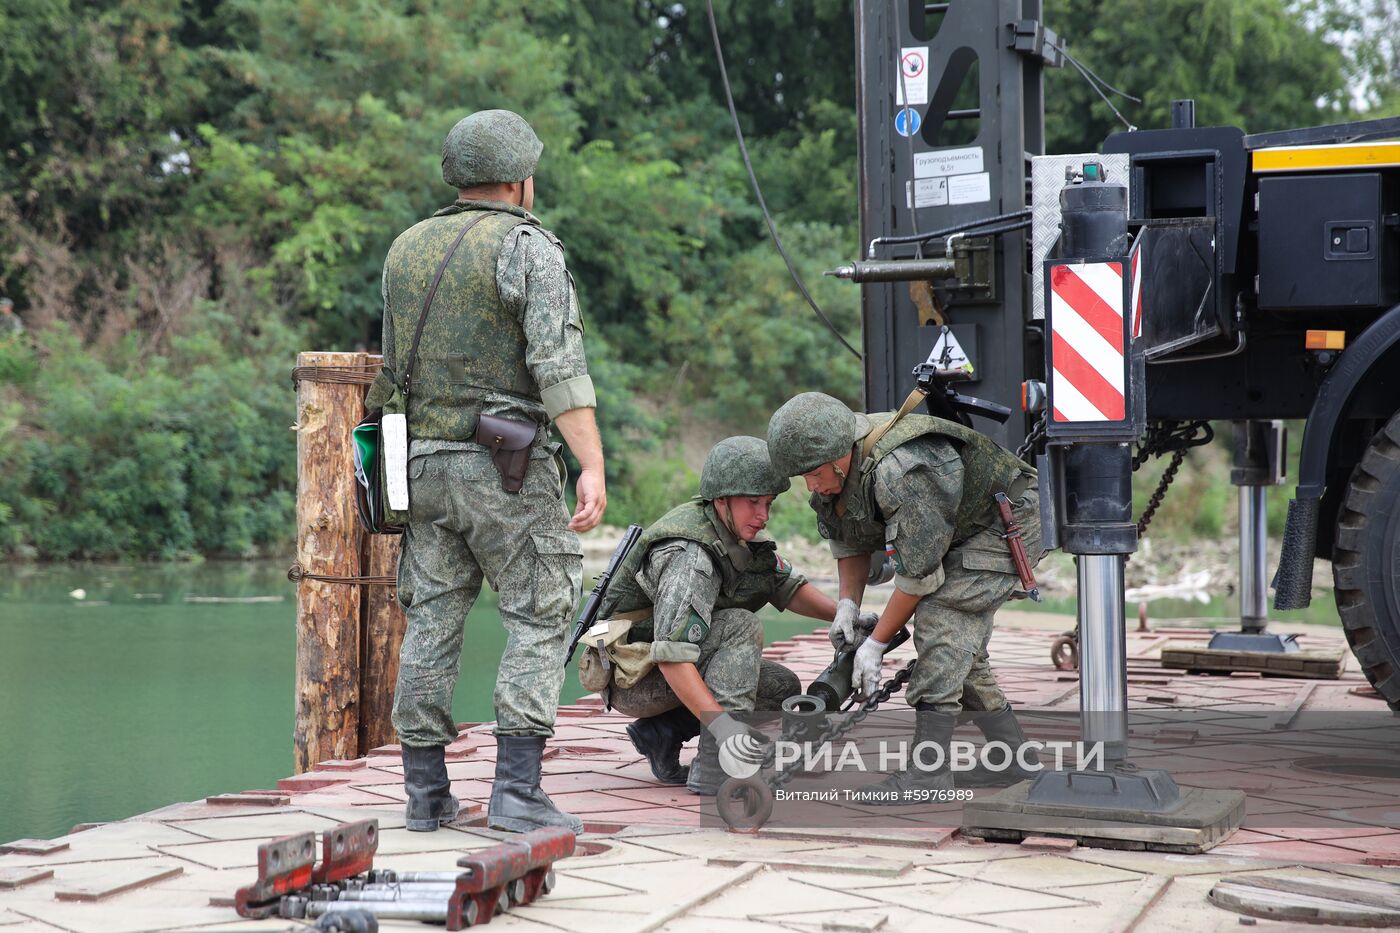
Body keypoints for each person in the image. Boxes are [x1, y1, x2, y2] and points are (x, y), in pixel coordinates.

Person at [365, 109, 606, 834]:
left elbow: (389, 368)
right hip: (504, 464)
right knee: (541, 606)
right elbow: (558, 371)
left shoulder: (406, 248)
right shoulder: (531, 248)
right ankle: (517, 790)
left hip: (419, 465)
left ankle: (426, 792)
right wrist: (591, 463)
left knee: (432, 615)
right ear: (517, 180)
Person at [766, 392, 1043, 796]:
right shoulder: (832, 472)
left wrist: (875, 645)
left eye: (812, 474)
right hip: (957, 527)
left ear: (838, 457)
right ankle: (1016, 761)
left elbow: (918, 576)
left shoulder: (904, 470)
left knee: (943, 621)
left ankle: (927, 776)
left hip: (1005, 521)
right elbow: (850, 541)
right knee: (960, 648)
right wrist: (847, 605)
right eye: (802, 478)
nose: (810, 486)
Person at [589, 436, 864, 795]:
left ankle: (661, 733)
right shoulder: (689, 556)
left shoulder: (733, 533)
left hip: (664, 667)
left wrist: (848, 615)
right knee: (740, 626)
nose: (763, 516)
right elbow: (671, 655)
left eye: (768, 504)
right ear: (721, 499)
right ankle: (717, 760)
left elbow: (786, 587)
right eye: (753, 503)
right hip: (634, 676)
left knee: (781, 689)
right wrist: (726, 729)